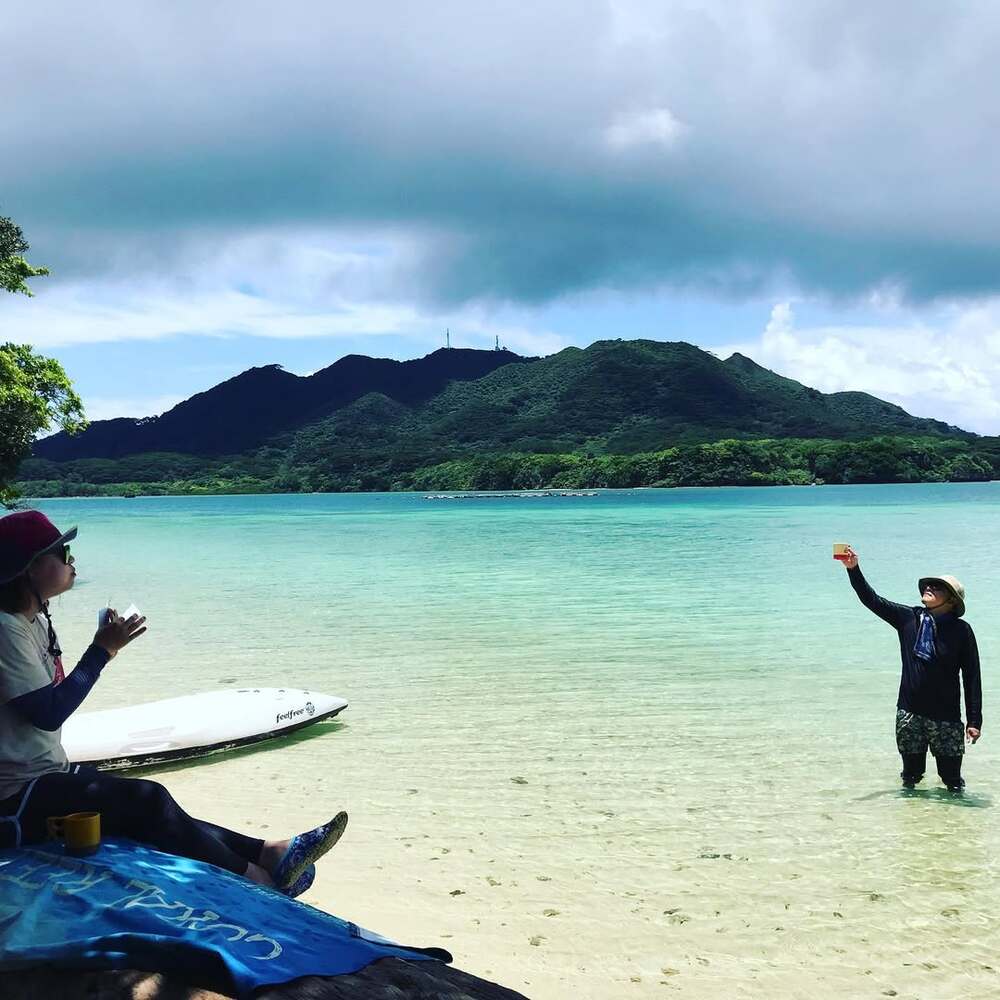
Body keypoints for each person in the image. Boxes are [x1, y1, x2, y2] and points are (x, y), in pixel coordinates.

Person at [0, 510, 347, 894]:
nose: (72, 560)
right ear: (31, 567)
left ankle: (268, 853)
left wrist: (104, 649)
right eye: (63, 553)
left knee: (148, 806)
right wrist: (101, 651)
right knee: (148, 798)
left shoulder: (34, 621)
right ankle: (256, 880)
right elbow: (48, 713)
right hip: (13, 795)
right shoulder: (5, 629)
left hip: (43, 772)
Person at [842, 545, 982, 792]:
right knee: (910, 778)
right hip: (909, 714)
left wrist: (974, 720)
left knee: (952, 781)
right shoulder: (908, 618)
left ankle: (954, 817)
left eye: (937, 587)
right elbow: (871, 599)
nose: (929, 588)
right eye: (928, 585)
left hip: (946, 717)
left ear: (951, 600)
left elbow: (971, 677)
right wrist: (853, 569)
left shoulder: (962, 631)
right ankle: (909, 815)